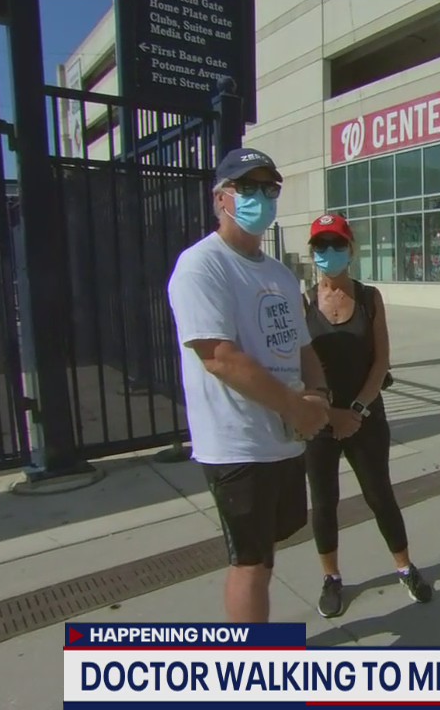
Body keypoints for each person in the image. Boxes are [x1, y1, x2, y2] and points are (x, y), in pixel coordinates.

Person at [167, 148, 331, 623]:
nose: (262, 197)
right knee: (250, 563)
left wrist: (317, 395)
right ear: (222, 198)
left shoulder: (279, 273)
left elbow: (302, 347)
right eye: (250, 188)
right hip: (238, 446)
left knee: (267, 554)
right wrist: (294, 408)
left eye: (270, 189)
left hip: (282, 441)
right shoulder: (201, 266)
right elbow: (218, 357)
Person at [301, 213, 434, 618]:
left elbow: (381, 362)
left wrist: (356, 409)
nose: (329, 253)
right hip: (320, 421)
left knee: (380, 496)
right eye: (321, 246)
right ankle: (332, 578)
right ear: (312, 253)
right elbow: (299, 363)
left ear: (352, 250)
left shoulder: (369, 297)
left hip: (365, 417)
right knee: (324, 503)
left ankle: (404, 566)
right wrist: (326, 412)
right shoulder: (303, 302)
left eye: (337, 245)